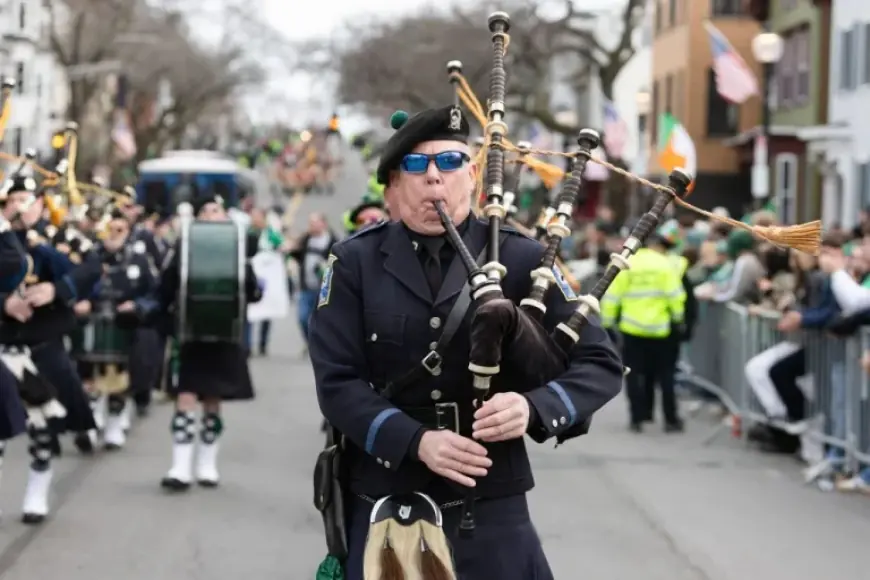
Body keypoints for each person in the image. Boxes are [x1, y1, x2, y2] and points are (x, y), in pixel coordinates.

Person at [308, 105, 623, 579]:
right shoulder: (355, 263)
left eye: (450, 162)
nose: (435, 177)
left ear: (473, 175)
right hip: (387, 496)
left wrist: (532, 407)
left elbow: (600, 363)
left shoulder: (525, 258)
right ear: (393, 185)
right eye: (417, 165)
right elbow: (337, 382)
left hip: (490, 502)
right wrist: (415, 441)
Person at [0, 174, 101, 523]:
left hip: (41, 345)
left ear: (42, 203)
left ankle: (37, 489)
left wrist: (57, 290)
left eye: (27, 199)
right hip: (3, 345)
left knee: (43, 426)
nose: (18, 207)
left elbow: (92, 266)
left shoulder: (57, 238)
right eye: (12, 200)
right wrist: (4, 304)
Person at [145, 194, 262, 491]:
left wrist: (247, 274)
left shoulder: (236, 249)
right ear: (198, 218)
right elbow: (166, 288)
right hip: (190, 332)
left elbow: (251, 291)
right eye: (207, 210)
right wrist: (151, 312)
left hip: (224, 332)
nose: (213, 215)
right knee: (185, 397)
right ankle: (180, 466)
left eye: (218, 210)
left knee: (213, 399)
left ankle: (207, 464)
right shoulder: (183, 247)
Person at [71, 207, 158, 449]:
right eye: (109, 228)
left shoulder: (139, 260)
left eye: (120, 229)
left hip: (124, 326)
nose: (114, 233)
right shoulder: (89, 257)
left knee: (119, 378)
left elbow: (154, 293)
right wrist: (80, 301)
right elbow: (72, 285)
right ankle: (87, 425)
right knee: (87, 377)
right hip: (90, 323)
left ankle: (114, 424)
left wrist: (137, 305)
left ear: (128, 230)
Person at [601, 231, 686, 432]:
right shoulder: (665, 264)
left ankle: (637, 418)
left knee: (633, 374)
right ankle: (670, 419)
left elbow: (612, 295)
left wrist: (607, 323)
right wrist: (678, 319)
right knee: (666, 375)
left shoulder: (627, 263)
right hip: (660, 329)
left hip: (631, 328)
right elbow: (675, 296)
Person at [287, 212, 337, 352]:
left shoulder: (332, 241)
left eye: (315, 223)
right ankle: (310, 342)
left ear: (323, 224)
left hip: (324, 289)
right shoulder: (306, 239)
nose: (312, 227)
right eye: (310, 224)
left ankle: (320, 346)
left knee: (322, 321)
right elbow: (296, 254)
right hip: (306, 286)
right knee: (303, 318)